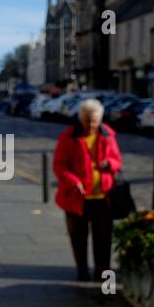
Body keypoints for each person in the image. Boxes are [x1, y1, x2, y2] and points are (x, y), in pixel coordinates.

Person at [53, 98, 123, 282]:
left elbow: (117, 160)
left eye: (94, 121)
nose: (91, 125)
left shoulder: (108, 135)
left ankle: (103, 272)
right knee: (78, 237)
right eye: (87, 121)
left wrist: (109, 163)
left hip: (103, 196)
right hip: (77, 198)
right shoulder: (68, 137)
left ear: (100, 119)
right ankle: (82, 271)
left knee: (103, 239)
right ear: (80, 119)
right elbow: (60, 165)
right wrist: (73, 181)